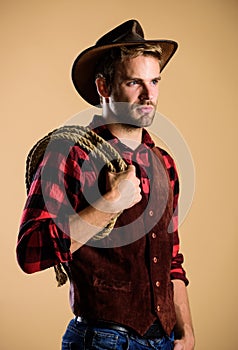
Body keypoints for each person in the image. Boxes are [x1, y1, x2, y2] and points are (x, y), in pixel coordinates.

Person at [16, 19, 195, 349]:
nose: (148, 94)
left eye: (154, 81)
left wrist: (186, 330)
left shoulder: (164, 164)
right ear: (103, 87)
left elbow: (171, 258)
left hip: (164, 341)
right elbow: (29, 252)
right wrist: (108, 204)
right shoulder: (69, 155)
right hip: (103, 340)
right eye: (133, 83)